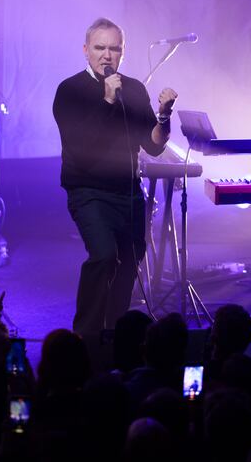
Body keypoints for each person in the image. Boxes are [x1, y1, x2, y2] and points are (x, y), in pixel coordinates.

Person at [53, 17, 177, 336]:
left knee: (131, 259)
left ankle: (113, 331)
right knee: (105, 255)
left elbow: (153, 145)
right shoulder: (70, 91)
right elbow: (82, 148)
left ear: (123, 53)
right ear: (86, 51)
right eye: (100, 48)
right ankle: (85, 335)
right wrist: (107, 100)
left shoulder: (133, 89)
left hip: (129, 192)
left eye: (114, 48)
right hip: (88, 191)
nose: (107, 55)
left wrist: (164, 116)